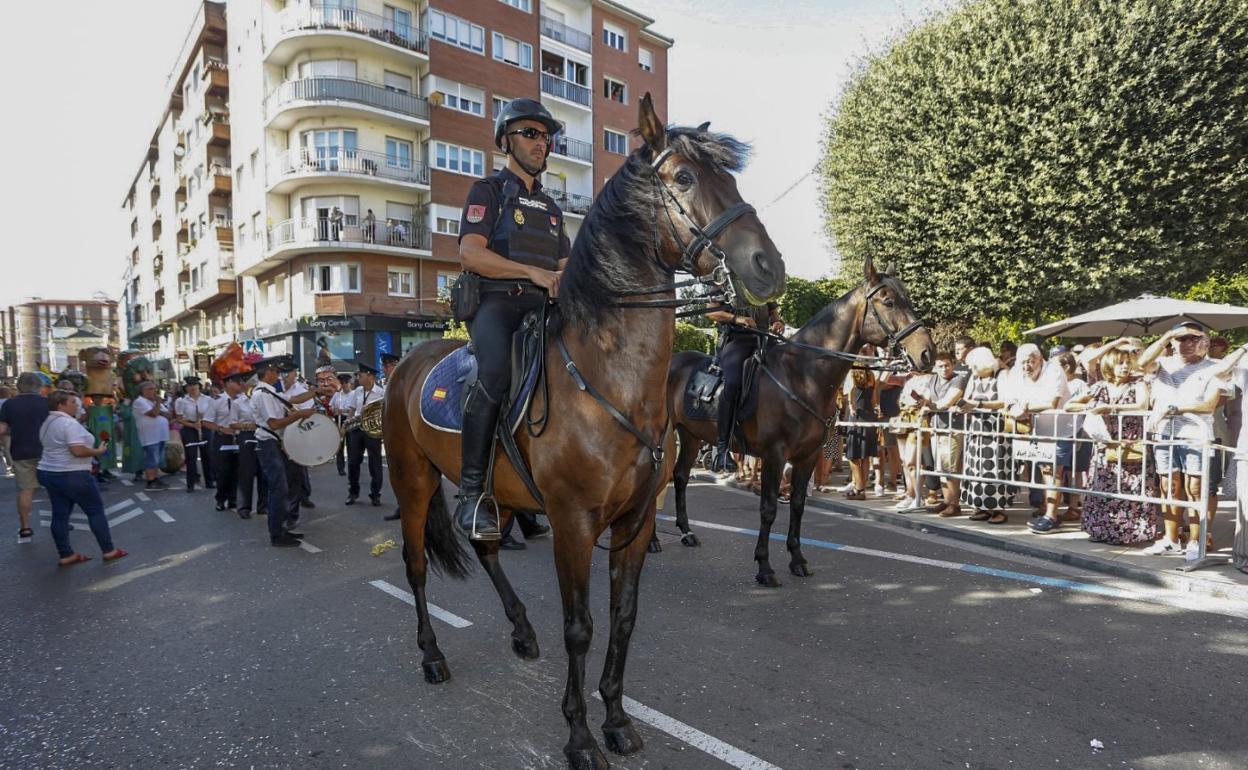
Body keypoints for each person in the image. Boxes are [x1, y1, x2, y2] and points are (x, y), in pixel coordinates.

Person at [453, 97, 570, 539]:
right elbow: (470, 253)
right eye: (531, 134)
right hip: (497, 304)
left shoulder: (553, 210)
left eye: (546, 137)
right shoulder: (486, 191)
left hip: (546, 309)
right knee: (496, 376)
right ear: (506, 140)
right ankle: (471, 495)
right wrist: (532, 272)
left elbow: (565, 268)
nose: (542, 143)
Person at [1136, 322, 1225, 556]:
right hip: (1166, 434)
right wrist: (1167, 335)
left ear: (1204, 343)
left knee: (1196, 488)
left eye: (1193, 339)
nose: (1187, 343)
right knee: (1169, 487)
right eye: (1181, 339)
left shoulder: (1214, 367)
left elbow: (1208, 405)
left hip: (1197, 436)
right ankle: (1171, 539)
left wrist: (1172, 408)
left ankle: (1196, 540)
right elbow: (1142, 363)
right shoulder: (1163, 364)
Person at [1065, 340, 1157, 544]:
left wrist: (1110, 408)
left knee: (1130, 490)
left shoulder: (1139, 383)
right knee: (1102, 488)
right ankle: (1100, 529)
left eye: (1127, 361)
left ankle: (1128, 532)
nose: (1125, 366)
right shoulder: (1099, 386)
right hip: (1104, 446)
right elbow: (1069, 405)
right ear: (1110, 364)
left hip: (1131, 445)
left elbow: (1141, 405)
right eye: (1120, 362)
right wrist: (1088, 409)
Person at [37, 390, 126, 566]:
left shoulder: (47, 422)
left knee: (60, 514)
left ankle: (66, 554)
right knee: (95, 510)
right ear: (60, 405)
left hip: (49, 471)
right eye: (72, 402)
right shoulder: (68, 424)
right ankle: (108, 550)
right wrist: (98, 451)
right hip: (72, 473)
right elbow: (77, 450)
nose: (76, 405)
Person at [706, 300, 785, 474]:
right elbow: (711, 312)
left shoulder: (764, 283)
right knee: (732, 383)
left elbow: (772, 311)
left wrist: (777, 322)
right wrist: (736, 318)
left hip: (765, 340)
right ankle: (722, 450)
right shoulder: (725, 278)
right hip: (737, 340)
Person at [1002, 343, 1071, 533]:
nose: (1026, 367)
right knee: (1043, 470)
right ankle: (1047, 510)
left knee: (1053, 471)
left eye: (1031, 362)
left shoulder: (1054, 371)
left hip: (1059, 428)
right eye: (1023, 362)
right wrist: (1012, 408)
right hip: (1035, 429)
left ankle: (1051, 516)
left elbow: (1052, 402)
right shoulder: (1017, 371)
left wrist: (1025, 408)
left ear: (1041, 360)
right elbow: (1008, 398)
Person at [251, 356, 316, 546]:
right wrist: (299, 415)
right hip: (268, 443)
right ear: (269, 373)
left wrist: (316, 391)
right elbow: (273, 423)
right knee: (278, 489)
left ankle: (282, 529)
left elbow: (294, 398)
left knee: (283, 488)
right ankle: (277, 534)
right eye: (277, 372)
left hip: (274, 443)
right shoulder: (263, 394)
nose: (279, 376)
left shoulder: (270, 392)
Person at [957, 347, 1012, 524]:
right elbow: (967, 397)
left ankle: (998, 508)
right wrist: (963, 406)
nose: (972, 370)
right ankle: (980, 505)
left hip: (996, 431)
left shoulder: (1002, 376)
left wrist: (979, 403)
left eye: (974, 366)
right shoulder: (974, 377)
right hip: (977, 429)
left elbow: (1005, 401)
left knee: (994, 468)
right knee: (976, 467)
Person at [0, 373, 50, 541]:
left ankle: (25, 527)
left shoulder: (10, 404)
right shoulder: (47, 403)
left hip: (20, 451)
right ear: (39, 387)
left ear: (19, 386)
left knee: (25, 490)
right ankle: (61, 520)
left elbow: (1, 429)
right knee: (54, 488)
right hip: (47, 451)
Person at [917, 352, 968, 516]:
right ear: (935, 367)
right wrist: (922, 402)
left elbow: (947, 402)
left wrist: (929, 406)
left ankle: (955, 504)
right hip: (935, 428)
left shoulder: (958, 379)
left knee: (950, 468)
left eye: (947, 365)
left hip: (953, 428)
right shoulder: (933, 379)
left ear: (952, 365)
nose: (944, 369)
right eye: (940, 366)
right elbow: (926, 397)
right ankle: (947, 501)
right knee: (941, 467)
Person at [345, 362, 385, 506]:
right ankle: (353, 492)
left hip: (372, 432)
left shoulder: (381, 393)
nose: (357, 378)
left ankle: (375, 494)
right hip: (356, 430)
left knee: (375, 463)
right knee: (353, 462)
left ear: (370, 376)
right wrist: (348, 423)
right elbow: (351, 409)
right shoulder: (357, 391)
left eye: (360, 375)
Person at [842, 349, 880, 500]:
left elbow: (849, 397)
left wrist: (851, 406)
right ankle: (861, 489)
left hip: (857, 417)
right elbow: (874, 400)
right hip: (869, 416)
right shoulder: (871, 376)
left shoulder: (852, 375)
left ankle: (859, 488)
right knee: (865, 456)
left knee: (853, 456)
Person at [281, 366, 316, 512]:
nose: (283, 376)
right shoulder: (276, 389)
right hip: (280, 431)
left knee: (299, 465)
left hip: (298, 431)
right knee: (286, 468)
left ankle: (304, 495)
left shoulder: (301, 391)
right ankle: (289, 499)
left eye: (287, 373)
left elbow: (307, 411)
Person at [174, 376, 214, 492]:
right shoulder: (181, 401)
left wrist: (204, 417)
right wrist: (193, 425)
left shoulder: (207, 399)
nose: (192, 388)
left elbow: (212, 415)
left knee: (207, 455)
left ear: (199, 386)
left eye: (194, 385)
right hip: (189, 427)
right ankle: (190, 484)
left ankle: (209, 481)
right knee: (191, 456)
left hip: (204, 426)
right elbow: (179, 418)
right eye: (189, 386)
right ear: (186, 388)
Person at [132, 380, 171, 490]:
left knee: (157, 459)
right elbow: (153, 414)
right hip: (150, 436)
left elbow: (169, 415)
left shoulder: (154, 402)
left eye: (154, 389)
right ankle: (150, 481)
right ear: (142, 391)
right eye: (150, 389)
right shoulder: (140, 402)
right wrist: (158, 404)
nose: (153, 391)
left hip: (161, 435)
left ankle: (155, 478)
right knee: (151, 458)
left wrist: (158, 407)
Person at [330, 373, 352, 476]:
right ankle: (341, 468)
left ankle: (352, 467)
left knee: (351, 445)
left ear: (349, 383)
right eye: (342, 383)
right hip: (339, 419)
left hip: (350, 420)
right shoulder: (337, 395)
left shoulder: (354, 394)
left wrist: (343, 410)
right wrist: (334, 410)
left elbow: (355, 409)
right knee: (340, 445)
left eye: (346, 383)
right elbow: (331, 406)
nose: (344, 385)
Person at [0, 385, 13, 477]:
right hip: (11, 426)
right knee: (9, 447)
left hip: (3, 426)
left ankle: (10, 465)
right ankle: (12, 465)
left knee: (6, 447)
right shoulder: (12, 402)